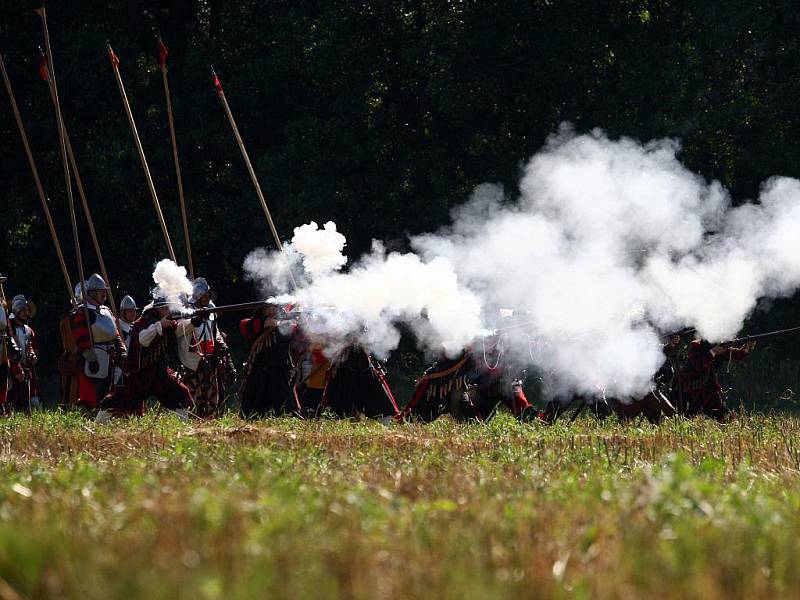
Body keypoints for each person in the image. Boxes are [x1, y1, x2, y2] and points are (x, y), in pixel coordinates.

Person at [98, 296, 198, 420]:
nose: (169, 309)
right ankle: (99, 423)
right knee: (117, 399)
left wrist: (195, 322)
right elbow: (142, 339)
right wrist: (159, 325)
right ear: (160, 309)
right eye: (166, 307)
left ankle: (182, 426)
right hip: (139, 371)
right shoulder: (144, 321)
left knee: (180, 395)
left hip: (159, 371)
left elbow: (178, 330)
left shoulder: (168, 322)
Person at [177, 278, 233, 418]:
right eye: (204, 295)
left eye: (208, 295)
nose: (207, 298)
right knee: (193, 397)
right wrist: (194, 320)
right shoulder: (187, 311)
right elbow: (178, 329)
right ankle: (191, 425)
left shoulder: (210, 310)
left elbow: (215, 332)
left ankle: (209, 423)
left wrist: (221, 345)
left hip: (210, 360)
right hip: (193, 362)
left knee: (211, 397)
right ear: (197, 295)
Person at [69, 275, 126, 410]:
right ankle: (88, 416)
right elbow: (80, 337)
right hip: (93, 356)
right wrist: (90, 357)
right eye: (101, 292)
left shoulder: (106, 310)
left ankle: (104, 415)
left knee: (108, 389)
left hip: (110, 356)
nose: (104, 294)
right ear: (92, 293)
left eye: (105, 291)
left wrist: (121, 349)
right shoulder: (83, 312)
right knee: (91, 391)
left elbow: (115, 332)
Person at [238, 303, 300, 417]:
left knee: (284, 401)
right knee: (254, 401)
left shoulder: (287, 323)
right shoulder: (256, 322)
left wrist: (294, 321)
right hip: (260, 367)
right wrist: (265, 323)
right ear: (263, 310)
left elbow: (298, 334)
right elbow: (244, 326)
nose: (272, 310)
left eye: (275, 307)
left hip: (281, 367)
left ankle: (286, 416)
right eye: (268, 308)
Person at [673, 337, 756, 422]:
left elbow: (735, 354)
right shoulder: (696, 345)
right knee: (682, 418)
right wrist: (713, 352)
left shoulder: (719, 345)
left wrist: (746, 348)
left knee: (725, 417)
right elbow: (697, 365)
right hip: (690, 389)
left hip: (708, 389)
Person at [317, 343, 399, 421]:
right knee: (339, 399)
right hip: (346, 362)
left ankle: (382, 417)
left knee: (376, 395)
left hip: (362, 362)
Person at [6, 295, 40, 412]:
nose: (26, 313)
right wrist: (16, 369)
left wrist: (32, 355)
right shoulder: (9, 328)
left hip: (26, 369)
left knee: (27, 402)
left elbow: (31, 346)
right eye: (23, 310)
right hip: (11, 370)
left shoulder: (28, 330)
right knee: (11, 402)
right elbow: (8, 352)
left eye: (27, 310)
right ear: (16, 311)